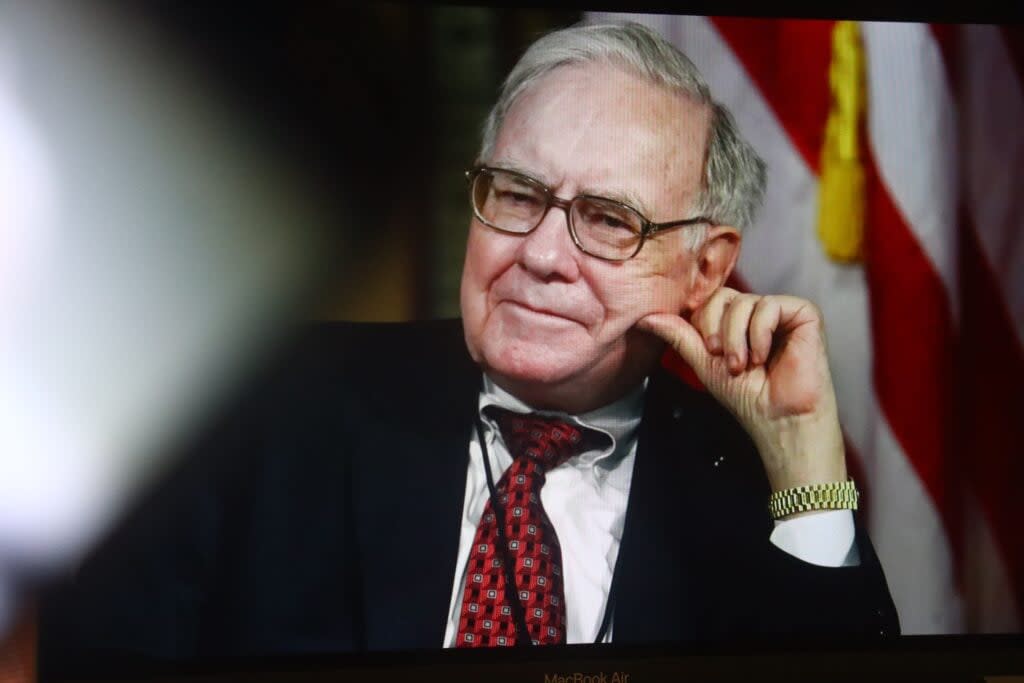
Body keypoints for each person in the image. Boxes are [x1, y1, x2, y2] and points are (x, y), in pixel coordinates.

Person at [40, 21, 899, 673]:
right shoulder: (264, 401)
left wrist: (804, 459)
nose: (543, 255)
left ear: (705, 268)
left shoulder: (753, 488)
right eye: (517, 194)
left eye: (608, 220)